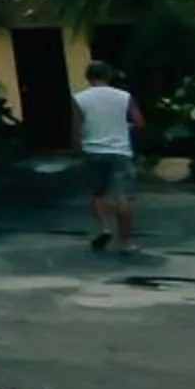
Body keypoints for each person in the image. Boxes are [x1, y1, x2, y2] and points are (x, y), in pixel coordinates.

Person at [75, 59, 143, 252]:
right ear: (108, 75)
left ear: (88, 77)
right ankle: (127, 241)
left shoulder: (80, 98)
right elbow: (139, 122)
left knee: (98, 193)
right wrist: (126, 129)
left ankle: (104, 228)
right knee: (124, 197)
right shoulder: (124, 96)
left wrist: (76, 149)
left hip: (93, 151)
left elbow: (76, 128)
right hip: (120, 151)